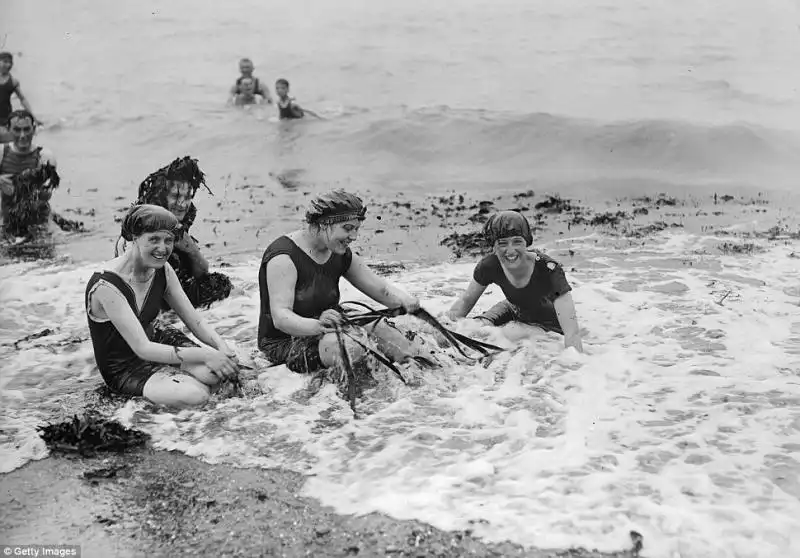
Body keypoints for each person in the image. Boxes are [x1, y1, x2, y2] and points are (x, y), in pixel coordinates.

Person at [259, 189, 430, 376]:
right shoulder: (283, 258)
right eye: (348, 229)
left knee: (397, 339)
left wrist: (406, 301)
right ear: (324, 224)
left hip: (333, 325)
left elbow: (381, 289)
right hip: (287, 341)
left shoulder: (338, 251)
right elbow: (281, 318)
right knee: (351, 347)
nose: (354, 237)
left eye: (356, 229)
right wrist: (317, 326)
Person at [87, 204, 239, 408]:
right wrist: (207, 354)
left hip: (158, 337)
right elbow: (143, 348)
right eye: (154, 239)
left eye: (168, 240)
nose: (163, 248)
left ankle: (179, 378)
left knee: (217, 374)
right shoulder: (106, 285)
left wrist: (221, 348)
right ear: (134, 238)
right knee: (196, 395)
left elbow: (195, 320)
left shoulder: (163, 270)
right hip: (125, 367)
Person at [447, 211, 584, 352]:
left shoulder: (548, 270)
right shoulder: (490, 266)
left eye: (517, 241)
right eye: (502, 243)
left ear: (526, 242)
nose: (510, 251)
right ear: (493, 246)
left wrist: (576, 366)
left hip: (551, 327)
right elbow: (465, 301)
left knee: (511, 331)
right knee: (473, 328)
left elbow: (572, 332)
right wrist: (440, 327)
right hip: (513, 309)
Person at [114, 156, 233, 308]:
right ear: (161, 195)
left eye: (188, 197)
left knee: (222, 286)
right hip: (140, 304)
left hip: (164, 298)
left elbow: (202, 271)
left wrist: (190, 248)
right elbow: (137, 289)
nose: (182, 204)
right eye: (176, 196)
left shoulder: (174, 225)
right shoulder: (144, 228)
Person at [0, 110, 57, 237]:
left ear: (34, 129)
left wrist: (29, 187)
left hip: (39, 224)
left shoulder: (45, 157)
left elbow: (47, 195)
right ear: (8, 129)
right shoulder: (2, 153)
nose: (22, 135)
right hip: (8, 222)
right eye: (17, 130)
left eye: (27, 129)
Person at [0, 52, 39, 143]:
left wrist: (33, 117)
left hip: (5, 119)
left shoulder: (13, 82)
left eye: (10, 63)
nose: (8, 65)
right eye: (5, 62)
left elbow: (23, 99)